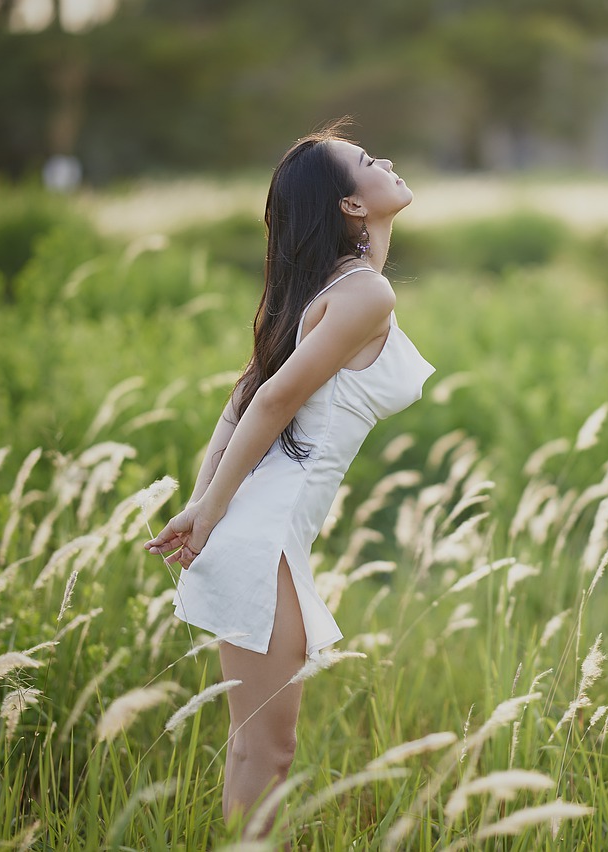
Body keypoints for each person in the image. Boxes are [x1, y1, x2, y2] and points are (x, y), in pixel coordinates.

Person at [143, 120, 434, 836]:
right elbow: (265, 400)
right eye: (367, 161)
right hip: (260, 535)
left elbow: (239, 399)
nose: (386, 161)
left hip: (261, 530)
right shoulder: (365, 295)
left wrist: (204, 501)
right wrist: (210, 509)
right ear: (351, 207)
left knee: (256, 748)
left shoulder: (328, 289)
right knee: (267, 752)